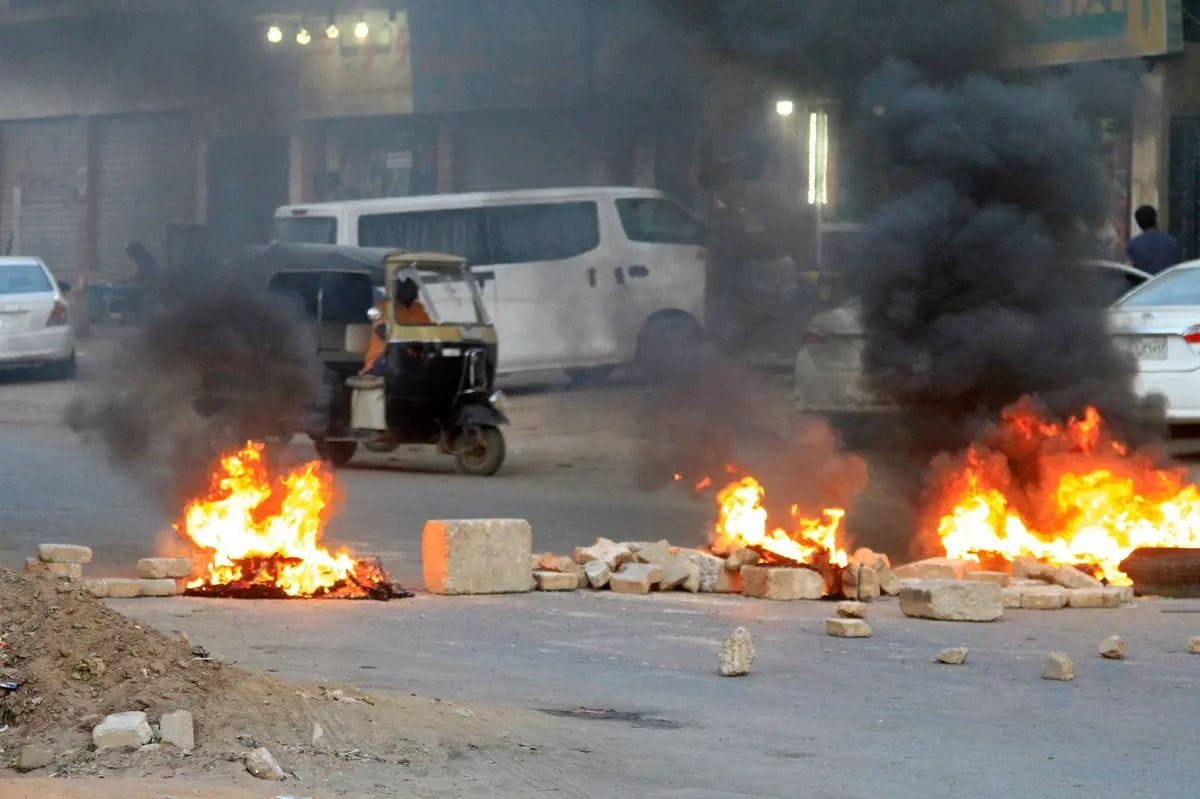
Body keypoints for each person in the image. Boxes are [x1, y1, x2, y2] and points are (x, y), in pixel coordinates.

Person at [360, 279, 433, 375]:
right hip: (383, 359)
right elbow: (383, 331)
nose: (411, 291)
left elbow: (429, 332)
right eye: (405, 287)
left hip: (414, 358)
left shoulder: (418, 308)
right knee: (397, 351)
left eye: (413, 287)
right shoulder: (385, 305)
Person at [1126, 205, 1182, 275]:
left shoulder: (1133, 245)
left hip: (1147, 284)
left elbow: (1129, 271)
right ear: (1156, 219)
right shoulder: (1173, 242)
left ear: (1138, 223)